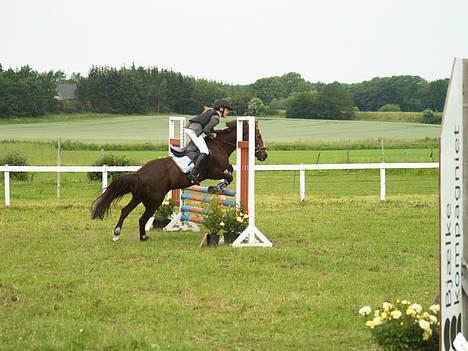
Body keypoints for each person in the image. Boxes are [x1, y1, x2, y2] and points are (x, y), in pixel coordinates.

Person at [185, 98, 233, 183]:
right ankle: (193, 174)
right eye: (227, 110)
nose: (228, 112)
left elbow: (210, 128)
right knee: (205, 151)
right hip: (194, 130)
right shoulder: (216, 118)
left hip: (191, 128)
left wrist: (215, 133)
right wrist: (212, 135)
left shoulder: (212, 113)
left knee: (197, 148)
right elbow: (207, 130)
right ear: (221, 109)